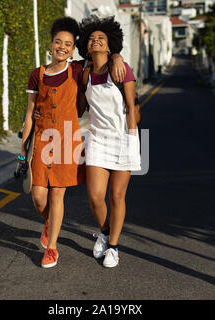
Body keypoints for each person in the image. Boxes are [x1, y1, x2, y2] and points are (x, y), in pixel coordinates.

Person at [21, 17, 126, 268]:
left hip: (68, 140)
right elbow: (29, 113)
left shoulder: (78, 70)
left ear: (72, 48)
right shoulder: (38, 74)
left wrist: (117, 56)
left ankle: (52, 248)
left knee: (58, 195)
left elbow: (101, 56)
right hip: (43, 140)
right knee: (38, 197)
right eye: (58, 42)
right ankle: (49, 222)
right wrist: (22, 149)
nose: (63, 47)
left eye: (68, 44)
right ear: (50, 45)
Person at [77, 15, 141, 268]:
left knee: (116, 196)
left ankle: (113, 247)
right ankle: (104, 231)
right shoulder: (84, 73)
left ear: (109, 44)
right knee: (95, 197)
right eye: (92, 38)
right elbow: (79, 108)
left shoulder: (122, 69)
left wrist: (132, 140)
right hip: (97, 140)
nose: (95, 41)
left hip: (123, 137)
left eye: (101, 39)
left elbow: (132, 106)